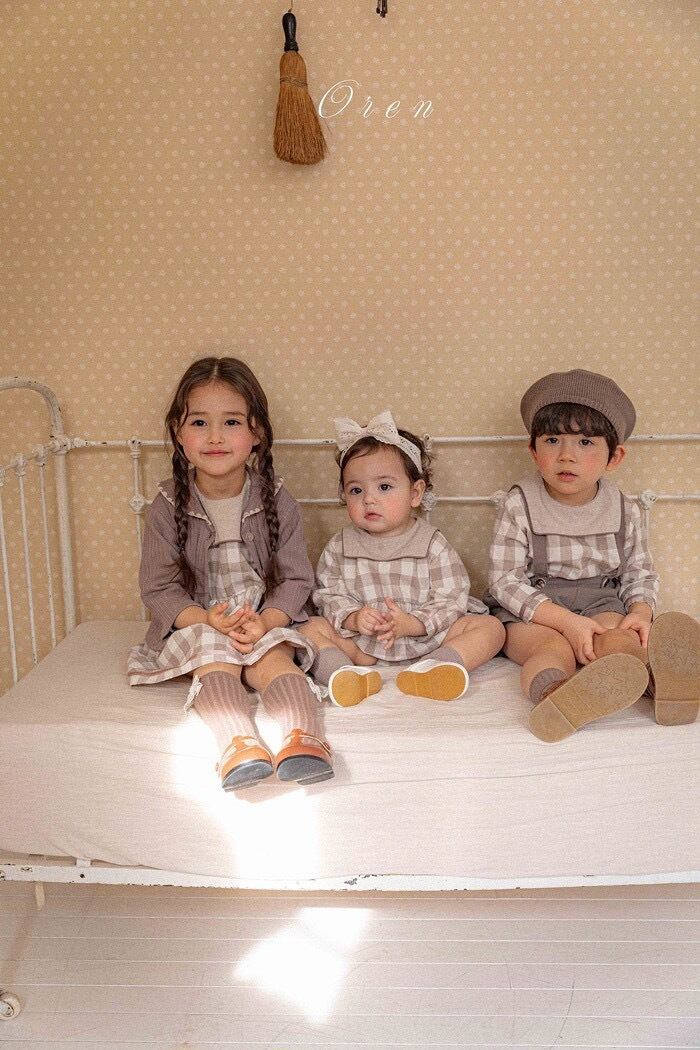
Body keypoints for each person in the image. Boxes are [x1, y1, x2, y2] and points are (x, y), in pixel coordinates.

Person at [128, 356, 332, 788]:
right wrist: (206, 619)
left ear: (256, 433)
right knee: (214, 660)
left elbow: (296, 578)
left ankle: (303, 738)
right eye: (199, 422)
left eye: (232, 422)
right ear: (178, 433)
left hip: (262, 618)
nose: (215, 436)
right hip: (200, 621)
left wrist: (267, 621)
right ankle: (238, 743)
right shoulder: (167, 505)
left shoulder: (277, 498)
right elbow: (159, 587)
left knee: (275, 659)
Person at [486, 368, 700, 741]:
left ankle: (664, 686)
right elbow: (504, 581)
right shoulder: (519, 503)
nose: (566, 456)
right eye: (552, 440)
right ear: (534, 451)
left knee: (620, 639)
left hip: (601, 602)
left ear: (614, 457)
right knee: (552, 650)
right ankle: (557, 697)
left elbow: (639, 573)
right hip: (535, 611)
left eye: (585, 442)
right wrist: (565, 622)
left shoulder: (624, 508)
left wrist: (640, 612)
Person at [301, 411, 505, 706]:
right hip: (362, 647)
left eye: (384, 487)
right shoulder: (339, 546)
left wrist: (413, 623)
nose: (369, 499)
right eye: (356, 490)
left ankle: (438, 667)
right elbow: (328, 595)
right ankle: (345, 675)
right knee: (309, 628)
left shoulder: (432, 543)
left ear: (415, 493)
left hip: (427, 641)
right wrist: (354, 618)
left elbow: (452, 598)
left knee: (491, 628)